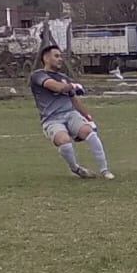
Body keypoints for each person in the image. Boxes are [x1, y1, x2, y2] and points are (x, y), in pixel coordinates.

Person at [29, 44, 112, 180]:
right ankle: (76, 168)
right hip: (51, 119)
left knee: (89, 132)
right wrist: (72, 86)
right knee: (64, 141)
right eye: (56, 56)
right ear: (46, 58)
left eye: (61, 56)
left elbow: (74, 100)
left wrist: (88, 117)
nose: (60, 59)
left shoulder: (63, 77)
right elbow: (55, 87)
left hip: (70, 114)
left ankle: (105, 171)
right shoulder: (38, 75)